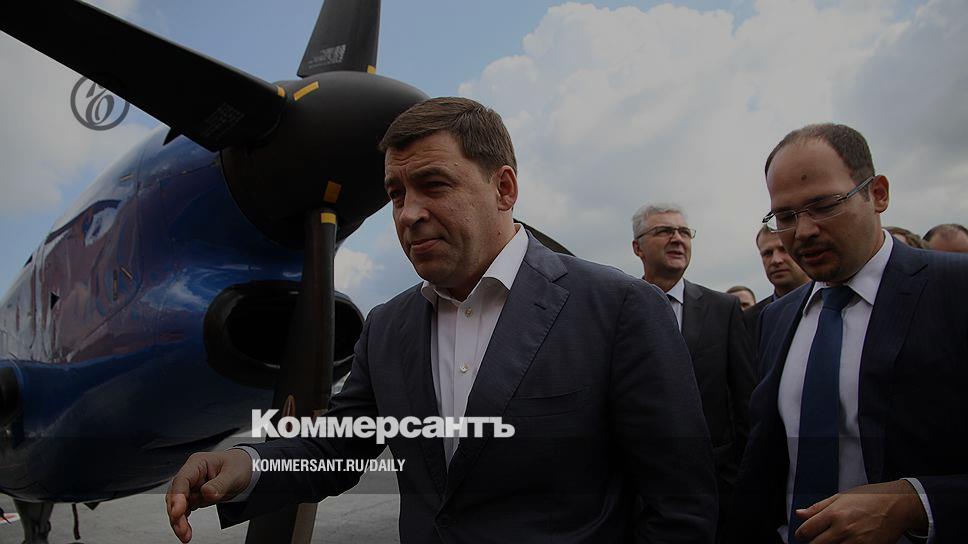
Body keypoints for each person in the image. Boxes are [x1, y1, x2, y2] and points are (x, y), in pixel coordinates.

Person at [166, 97, 718, 543]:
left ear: (504, 188)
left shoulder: (619, 308)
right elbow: (337, 447)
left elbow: (679, 506)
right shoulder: (387, 327)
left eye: (434, 185)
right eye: (395, 194)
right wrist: (245, 465)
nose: (408, 213)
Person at [726, 123, 968, 544]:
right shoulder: (776, 318)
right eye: (785, 216)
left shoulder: (956, 290)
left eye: (823, 206)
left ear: (878, 194)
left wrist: (915, 503)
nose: (803, 231)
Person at [631, 203, 755, 534]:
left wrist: (740, 481)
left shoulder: (723, 309)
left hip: (715, 489)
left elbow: (745, 403)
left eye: (684, 232)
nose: (677, 239)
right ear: (637, 248)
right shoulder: (618, 305)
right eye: (664, 231)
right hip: (638, 492)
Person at [744, 226, 810, 366]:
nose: (776, 260)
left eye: (783, 249)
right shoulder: (747, 321)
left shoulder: (831, 306)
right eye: (767, 253)